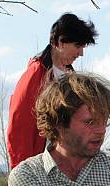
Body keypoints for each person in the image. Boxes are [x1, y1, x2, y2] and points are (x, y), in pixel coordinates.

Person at [7, 13, 97, 169]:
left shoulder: (71, 77)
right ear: (61, 42)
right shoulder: (35, 76)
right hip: (42, 166)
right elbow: (19, 127)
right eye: (78, 46)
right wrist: (21, 171)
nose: (81, 53)